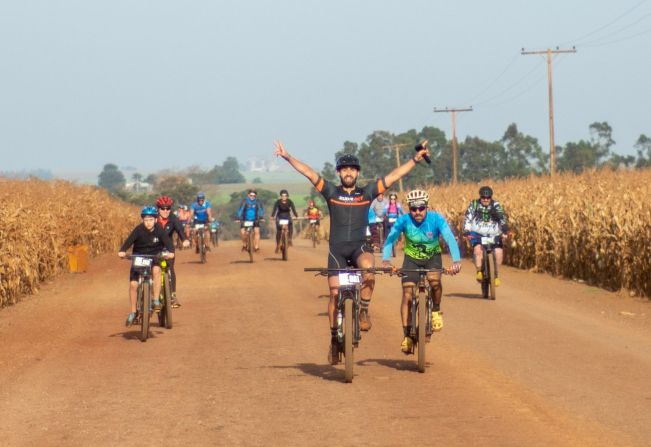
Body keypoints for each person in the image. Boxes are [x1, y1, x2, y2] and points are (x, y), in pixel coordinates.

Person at [274, 140, 431, 365]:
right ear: (339, 173)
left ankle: (364, 310)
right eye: (344, 169)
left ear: (357, 173)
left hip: (359, 247)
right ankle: (334, 340)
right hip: (337, 249)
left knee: (369, 270)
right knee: (335, 293)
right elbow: (308, 172)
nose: (348, 173)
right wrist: (287, 156)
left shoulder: (367, 192)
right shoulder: (330, 191)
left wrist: (415, 160)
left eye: (352, 169)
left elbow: (394, 175)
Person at [381, 189, 461, 353]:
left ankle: (436, 310)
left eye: (421, 208)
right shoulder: (403, 220)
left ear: (427, 207)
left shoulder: (436, 219)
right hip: (411, 259)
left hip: (433, 257)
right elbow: (391, 239)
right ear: (409, 208)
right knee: (407, 293)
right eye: (413, 209)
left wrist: (456, 261)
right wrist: (386, 260)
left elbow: (449, 238)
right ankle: (407, 336)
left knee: (434, 281)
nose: (417, 212)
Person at [118, 206, 175, 326]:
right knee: (133, 285)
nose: (148, 223)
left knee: (156, 270)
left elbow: (168, 243)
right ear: (142, 220)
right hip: (139, 257)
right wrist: (122, 250)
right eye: (146, 220)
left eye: (150, 219)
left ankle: (155, 301)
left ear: (155, 220)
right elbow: (128, 241)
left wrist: (170, 252)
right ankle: (133, 312)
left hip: (155, 257)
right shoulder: (138, 230)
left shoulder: (159, 230)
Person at [463, 186, 509, 286]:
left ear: (491, 197)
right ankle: (479, 271)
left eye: (488, 198)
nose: (485, 199)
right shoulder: (474, 204)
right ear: (480, 197)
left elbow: (502, 217)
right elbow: (468, 218)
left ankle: (495, 275)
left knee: (498, 252)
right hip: (477, 234)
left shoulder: (496, 205)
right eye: (483, 197)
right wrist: (467, 231)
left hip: (494, 234)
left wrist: (505, 230)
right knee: (478, 250)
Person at [156, 196, 190, 308]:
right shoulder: (152, 218)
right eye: (162, 208)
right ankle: (149, 294)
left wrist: (184, 239)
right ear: (158, 208)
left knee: (170, 269)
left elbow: (180, 230)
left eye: (168, 208)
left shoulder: (173, 218)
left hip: (167, 248)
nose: (165, 211)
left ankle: (173, 295)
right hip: (152, 248)